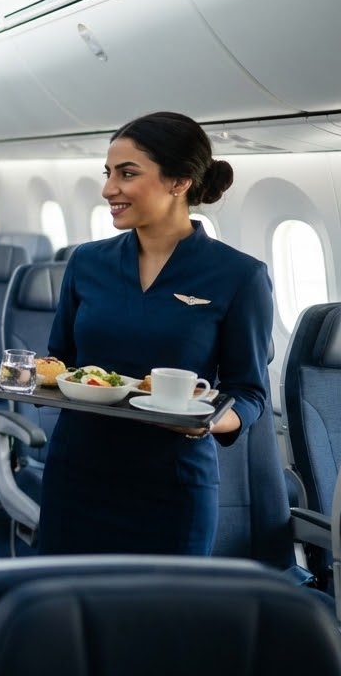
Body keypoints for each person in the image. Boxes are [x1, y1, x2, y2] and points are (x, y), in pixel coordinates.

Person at [39, 111, 270, 555]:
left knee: (165, 621)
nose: (109, 189)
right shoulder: (87, 263)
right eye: (108, 174)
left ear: (179, 181)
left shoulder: (238, 275)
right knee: (68, 617)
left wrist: (208, 419)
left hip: (174, 482)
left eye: (127, 174)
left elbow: (249, 391)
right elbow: (60, 361)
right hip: (79, 472)